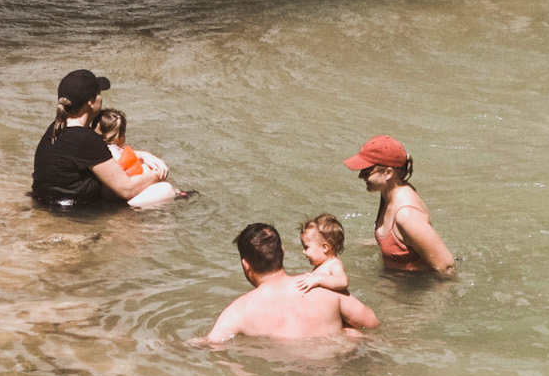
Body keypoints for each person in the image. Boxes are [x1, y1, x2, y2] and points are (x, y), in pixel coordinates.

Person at [202, 223, 379, 343]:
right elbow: (371, 322)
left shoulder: (239, 311)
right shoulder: (320, 285)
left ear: (245, 264)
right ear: (283, 252)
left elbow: (210, 344)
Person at [30, 69, 172, 210]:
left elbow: (92, 157)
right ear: (91, 102)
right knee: (166, 189)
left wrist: (142, 155)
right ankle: (125, 220)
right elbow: (126, 189)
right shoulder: (86, 139)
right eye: (99, 94)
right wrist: (157, 174)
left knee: (143, 168)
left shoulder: (56, 128)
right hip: (73, 210)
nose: (101, 98)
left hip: (46, 201)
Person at [344, 135, 454, 275]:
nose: (360, 176)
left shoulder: (406, 215)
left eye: (366, 171)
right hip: (396, 280)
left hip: (415, 286)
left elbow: (447, 267)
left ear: (388, 173)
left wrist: (430, 297)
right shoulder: (388, 194)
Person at [97, 106, 187, 210]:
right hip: (124, 200)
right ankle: (178, 193)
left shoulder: (98, 150)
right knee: (167, 188)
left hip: (116, 194)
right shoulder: (117, 154)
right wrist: (156, 174)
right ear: (121, 136)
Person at [295, 213, 350, 293]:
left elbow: (343, 281)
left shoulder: (334, 264)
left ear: (324, 248)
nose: (303, 251)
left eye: (306, 247)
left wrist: (319, 279)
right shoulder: (322, 265)